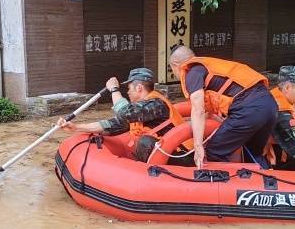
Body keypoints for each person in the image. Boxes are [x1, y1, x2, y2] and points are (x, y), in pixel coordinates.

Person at [168, 46, 278, 168]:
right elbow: (212, 107)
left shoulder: (192, 72)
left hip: (250, 110)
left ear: (175, 65)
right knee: (252, 152)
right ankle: (266, 183)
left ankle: (220, 185)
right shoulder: (210, 66)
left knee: (214, 151)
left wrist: (198, 145)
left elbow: (197, 109)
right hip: (270, 105)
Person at [57, 68, 193, 164]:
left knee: (145, 142)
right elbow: (113, 125)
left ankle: (148, 179)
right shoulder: (140, 108)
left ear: (139, 87)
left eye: (129, 88)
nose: (127, 92)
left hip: (183, 155)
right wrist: (75, 127)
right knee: (143, 142)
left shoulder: (156, 104)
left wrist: (114, 90)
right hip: (169, 153)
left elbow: (125, 112)